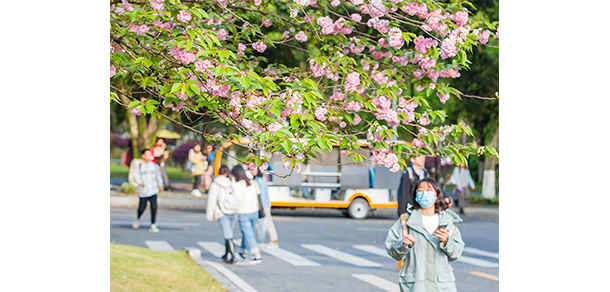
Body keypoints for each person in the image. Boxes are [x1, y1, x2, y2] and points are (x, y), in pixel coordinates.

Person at [385, 178, 464, 292]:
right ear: (415, 195)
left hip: (442, 286)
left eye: (429, 190)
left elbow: (456, 253)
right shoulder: (406, 221)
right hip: (415, 286)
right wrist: (402, 244)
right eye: (420, 190)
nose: (424, 193)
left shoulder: (447, 221)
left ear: (436, 195)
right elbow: (392, 249)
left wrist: (447, 241)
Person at [206, 165, 240, 264]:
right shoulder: (232, 181)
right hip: (234, 210)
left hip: (222, 212)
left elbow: (212, 200)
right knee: (229, 233)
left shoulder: (216, 183)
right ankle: (227, 253)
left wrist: (210, 215)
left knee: (227, 234)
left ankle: (233, 255)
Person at [232, 165, 263, 265]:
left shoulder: (238, 185)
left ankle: (256, 254)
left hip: (243, 212)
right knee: (249, 233)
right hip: (254, 211)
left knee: (248, 234)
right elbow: (259, 195)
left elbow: (235, 199)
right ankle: (243, 251)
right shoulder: (252, 182)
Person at [131, 149, 164, 233]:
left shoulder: (154, 166)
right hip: (143, 191)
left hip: (153, 190)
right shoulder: (139, 166)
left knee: (154, 207)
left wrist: (160, 185)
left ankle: (153, 223)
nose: (149, 156)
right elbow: (135, 176)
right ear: (143, 156)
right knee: (142, 207)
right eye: (147, 154)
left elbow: (158, 176)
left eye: (150, 154)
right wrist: (140, 183)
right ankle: (138, 218)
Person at [251, 166, 279, 249]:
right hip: (264, 205)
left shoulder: (258, 180)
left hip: (263, 206)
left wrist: (260, 207)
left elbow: (261, 195)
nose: (252, 171)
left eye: (253, 170)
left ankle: (274, 240)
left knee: (267, 223)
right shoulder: (262, 179)